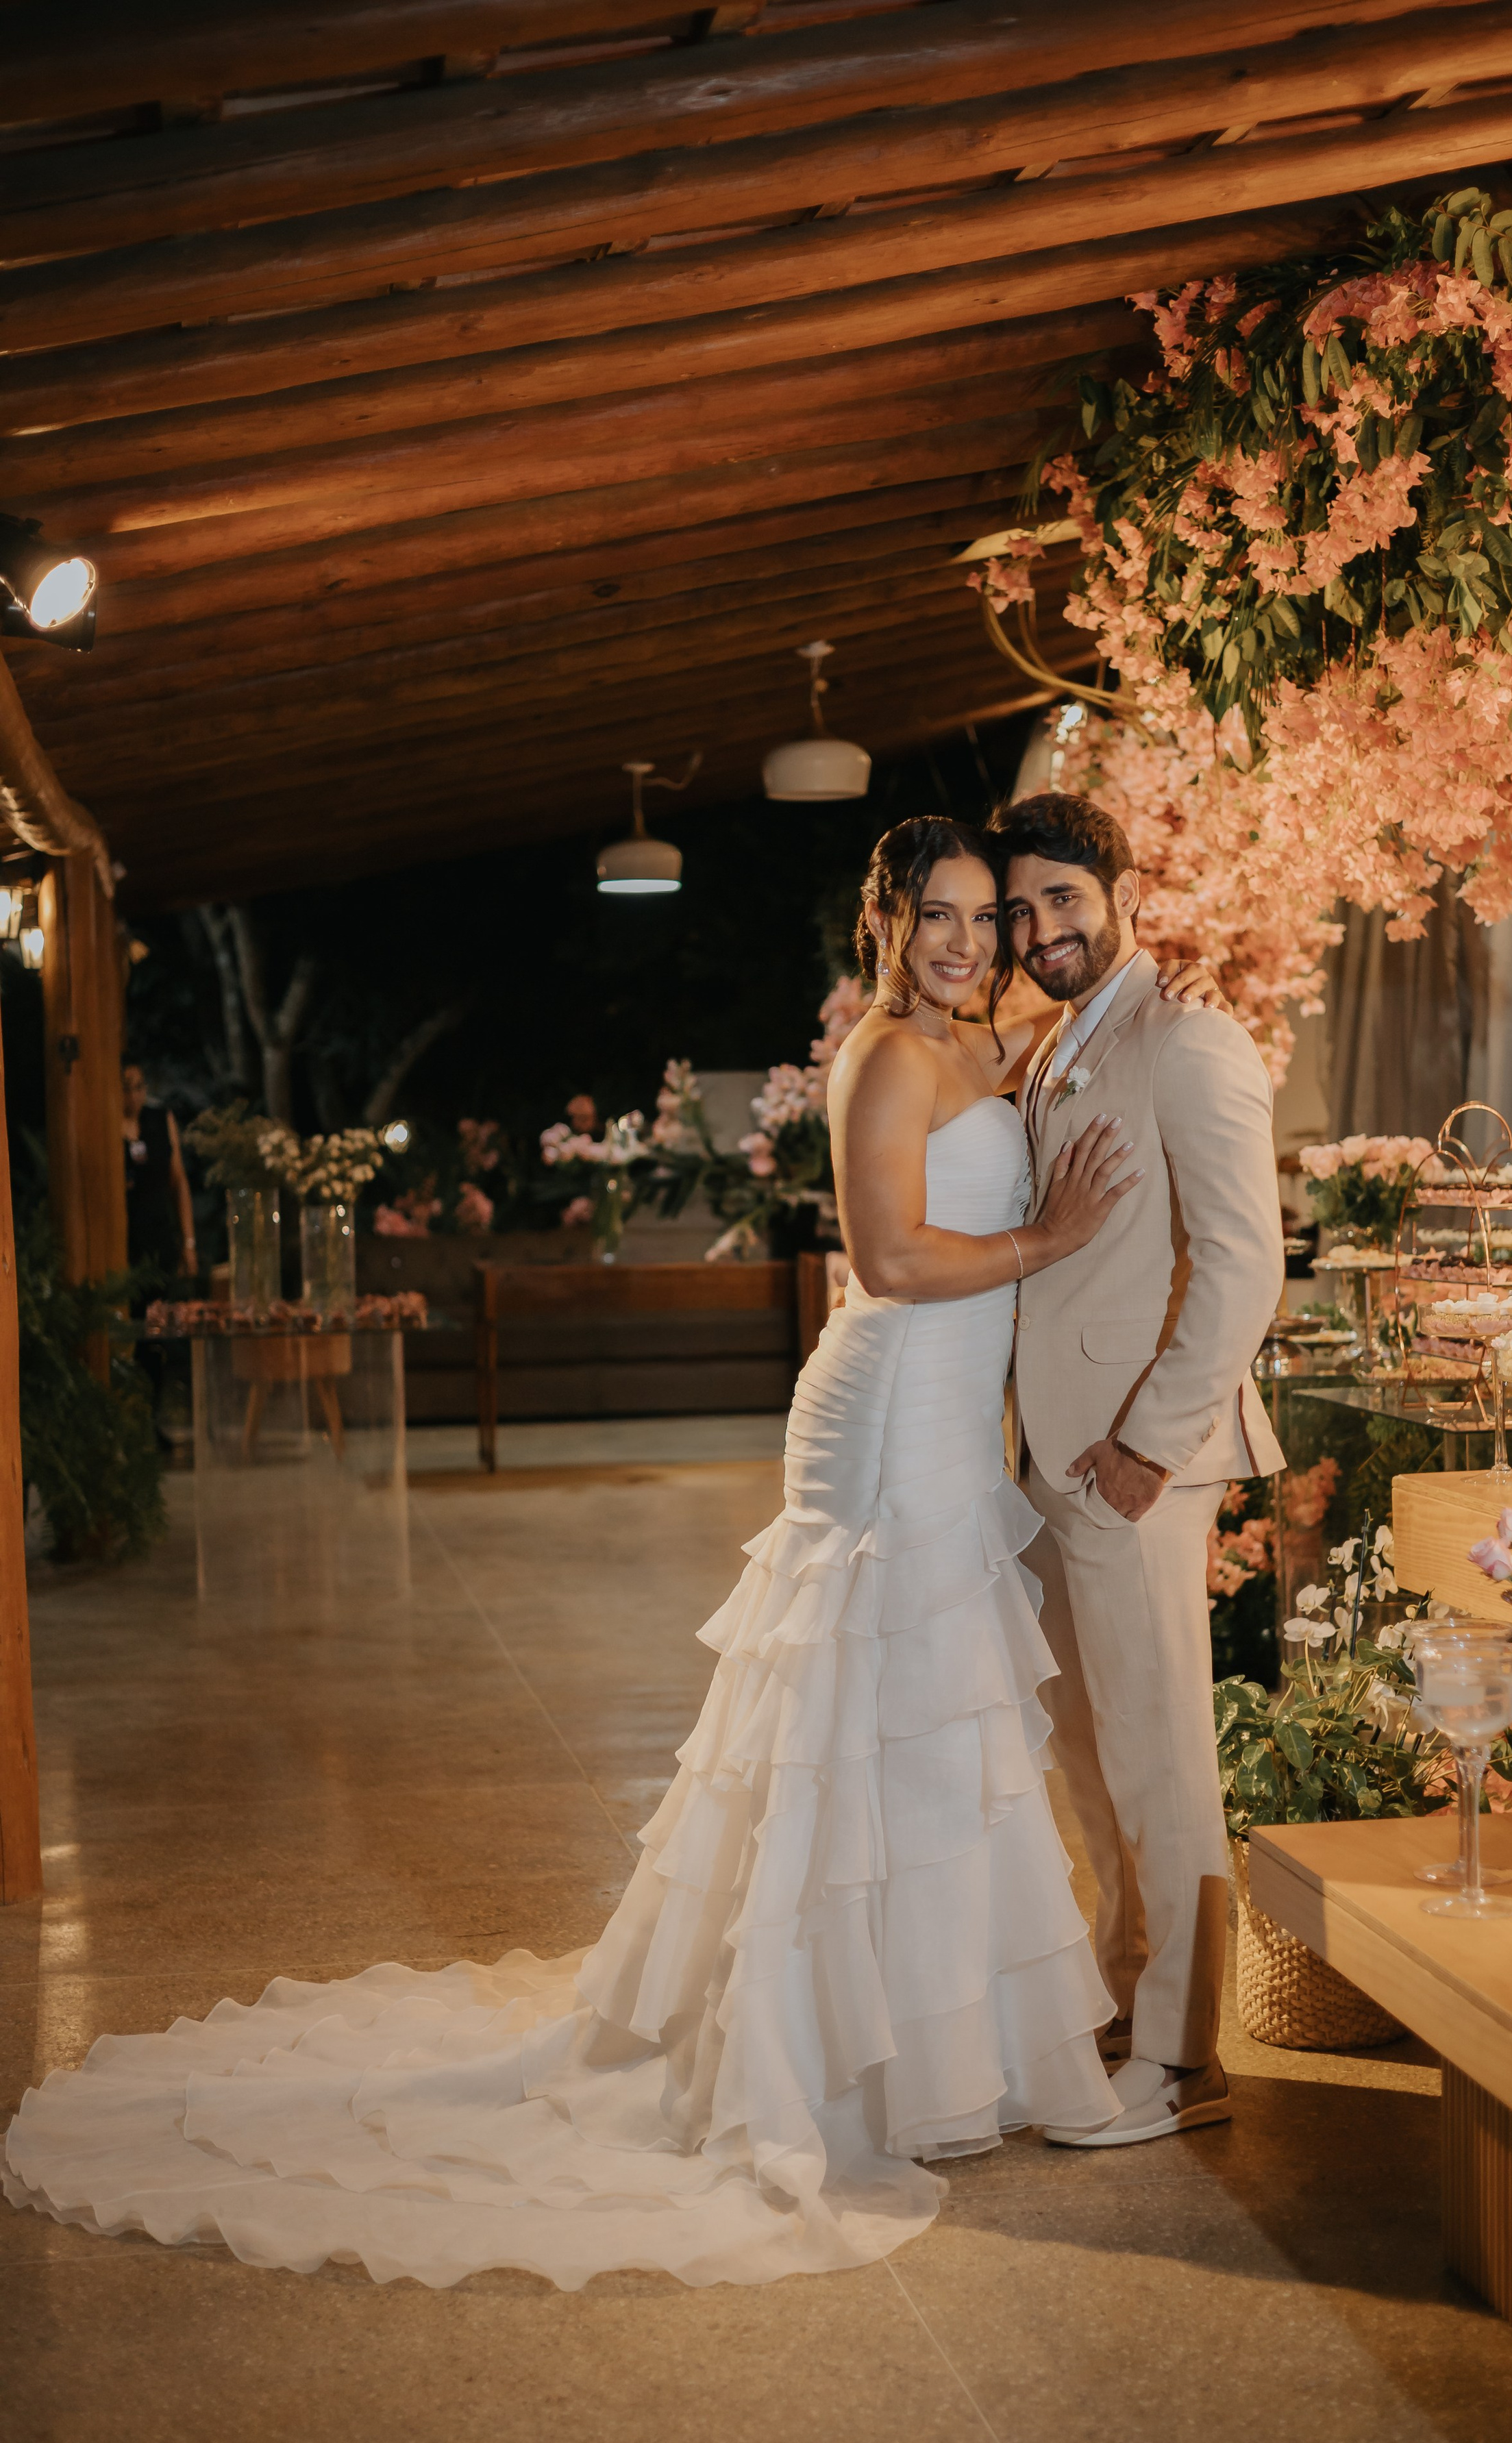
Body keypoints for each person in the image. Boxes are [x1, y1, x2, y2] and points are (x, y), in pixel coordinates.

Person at [3, 817, 1228, 2291]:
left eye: (991, 914)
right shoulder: (888, 1058)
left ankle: (938, 2045)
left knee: (932, 1730)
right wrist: (1049, 1240)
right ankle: (839, 2057)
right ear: (886, 927)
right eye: (943, 916)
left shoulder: (1007, 1045)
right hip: (895, 1408)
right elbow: (894, 1261)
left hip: (971, 1422)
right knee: (869, 1719)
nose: (974, 940)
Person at [991, 791, 1287, 2152]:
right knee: (1089, 1755)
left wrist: (1144, 1447)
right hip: (1050, 1457)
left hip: (1131, 1466)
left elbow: (1241, 1264)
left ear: (1119, 893)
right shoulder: (1050, 1049)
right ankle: (1115, 1997)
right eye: (1015, 910)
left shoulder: (1189, 1042)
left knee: (1163, 1756)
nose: (1037, 928)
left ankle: (1181, 2053)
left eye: (1058, 898)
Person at [121, 1062, 198, 1283]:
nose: (134, 1096)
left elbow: (178, 1181)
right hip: (126, 1243)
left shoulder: (160, 1120)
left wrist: (188, 1242)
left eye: (139, 1087)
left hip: (160, 1236)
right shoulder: (108, 1128)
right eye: (126, 1088)